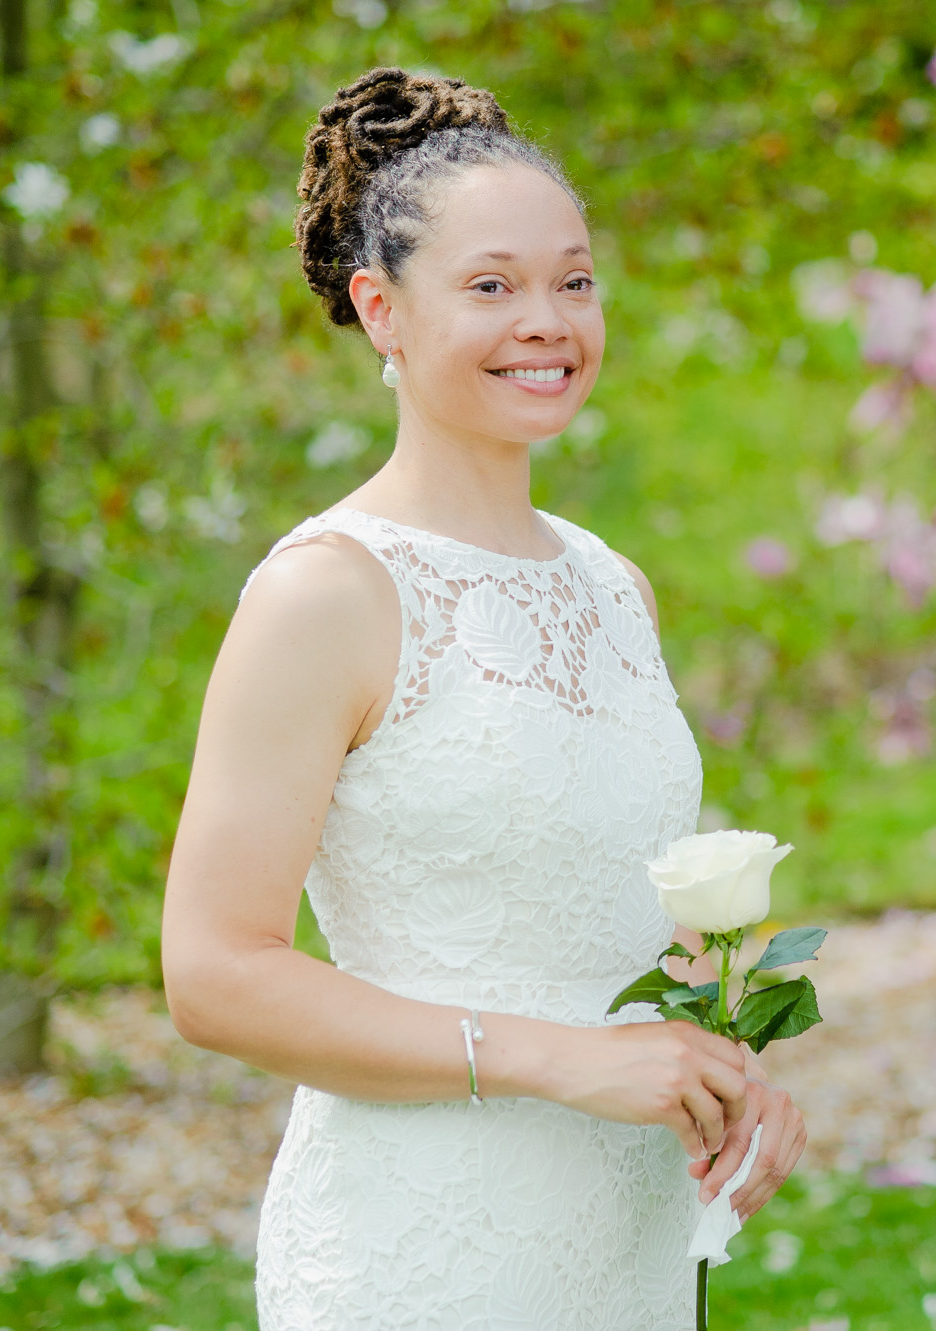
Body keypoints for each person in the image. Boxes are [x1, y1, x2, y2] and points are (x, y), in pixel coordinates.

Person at [158, 68, 806, 1329]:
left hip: (623, 1240)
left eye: (573, 279)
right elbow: (212, 971)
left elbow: (608, 901)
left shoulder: (614, 585)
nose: (548, 320)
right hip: (421, 1247)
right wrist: (558, 1057)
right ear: (380, 308)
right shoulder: (325, 594)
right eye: (492, 285)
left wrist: (726, 1070)